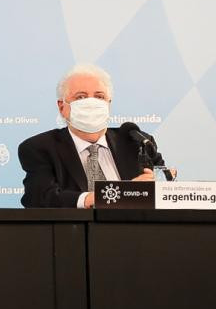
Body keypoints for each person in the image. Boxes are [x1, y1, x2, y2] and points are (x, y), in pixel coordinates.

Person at [18, 63, 155, 208]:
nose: (91, 103)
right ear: (62, 107)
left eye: (99, 96)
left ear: (108, 104)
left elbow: (164, 190)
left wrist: (158, 186)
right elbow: (39, 198)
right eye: (81, 97)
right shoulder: (39, 148)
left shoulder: (136, 142)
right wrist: (119, 194)